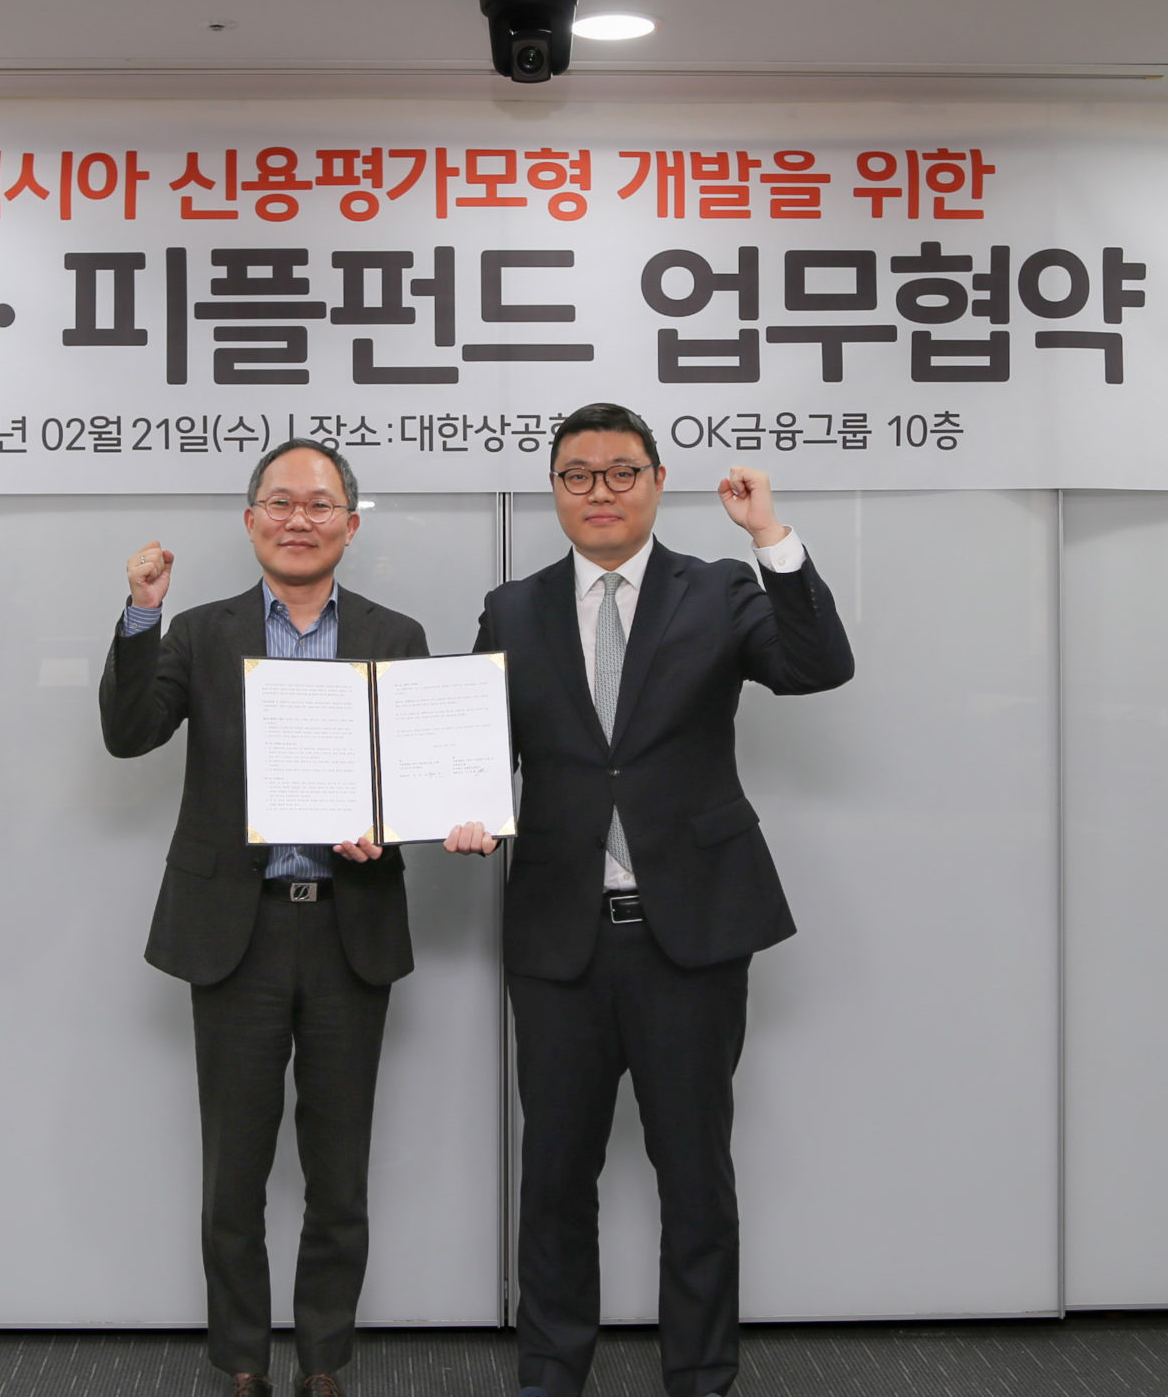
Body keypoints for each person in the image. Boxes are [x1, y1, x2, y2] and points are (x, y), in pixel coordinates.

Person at [450, 402, 855, 1397]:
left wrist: (770, 535)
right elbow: (470, 751)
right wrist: (458, 809)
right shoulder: (512, 609)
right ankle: (550, 1375)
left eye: (621, 471)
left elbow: (816, 666)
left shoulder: (718, 588)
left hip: (693, 931)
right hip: (560, 937)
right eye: (577, 475)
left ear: (657, 481)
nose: (600, 491)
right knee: (554, 1177)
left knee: (695, 1174)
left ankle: (701, 1376)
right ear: (554, 489)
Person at [100, 437, 444, 1397]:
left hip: (348, 926)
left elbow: (417, 774)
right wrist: (141, 611)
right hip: (235, 931)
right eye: (281, 502)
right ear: (251, 519)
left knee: (340, 1170)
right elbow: (129, 733)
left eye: (320, 504)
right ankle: (243, 1359)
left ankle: (323, 1358)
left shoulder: (394, 634)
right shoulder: (197, 632)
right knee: (234, 1171)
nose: (301, 519)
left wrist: (391, 825)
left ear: (350, 524)